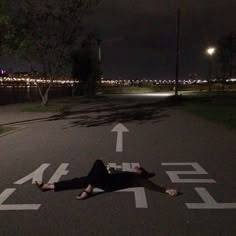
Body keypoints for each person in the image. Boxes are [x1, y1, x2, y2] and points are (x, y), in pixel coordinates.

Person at [36, 159, 178, 200]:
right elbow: (115, 173)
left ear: (140, 172)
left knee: (98, 162)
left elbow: (149, 184)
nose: (136, 166)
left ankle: (89, 189)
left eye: (138, 167)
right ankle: (48, 186)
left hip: (108, 184)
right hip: (106, 180)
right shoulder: (128, 174)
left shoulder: (136, 177)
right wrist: (110, 169)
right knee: (80, 180)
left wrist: (165, 190)